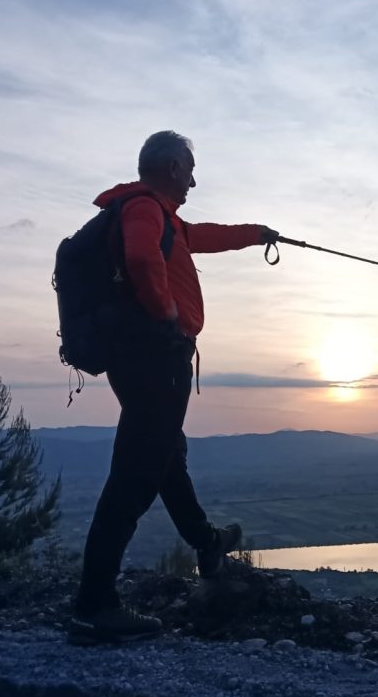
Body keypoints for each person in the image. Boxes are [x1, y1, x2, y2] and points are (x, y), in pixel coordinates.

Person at [69, 130, 277, 645]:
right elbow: (143, 260)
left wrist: (256, 234)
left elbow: (207, 235)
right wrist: (167, 315)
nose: (193, 182)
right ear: (171, 168)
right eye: (190, 171)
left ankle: (206, 542)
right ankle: (94, 607)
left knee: (165, 456)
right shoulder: (144, 210)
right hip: (156, 357)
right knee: (136, 475)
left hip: (144, 357)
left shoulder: (165, 219)